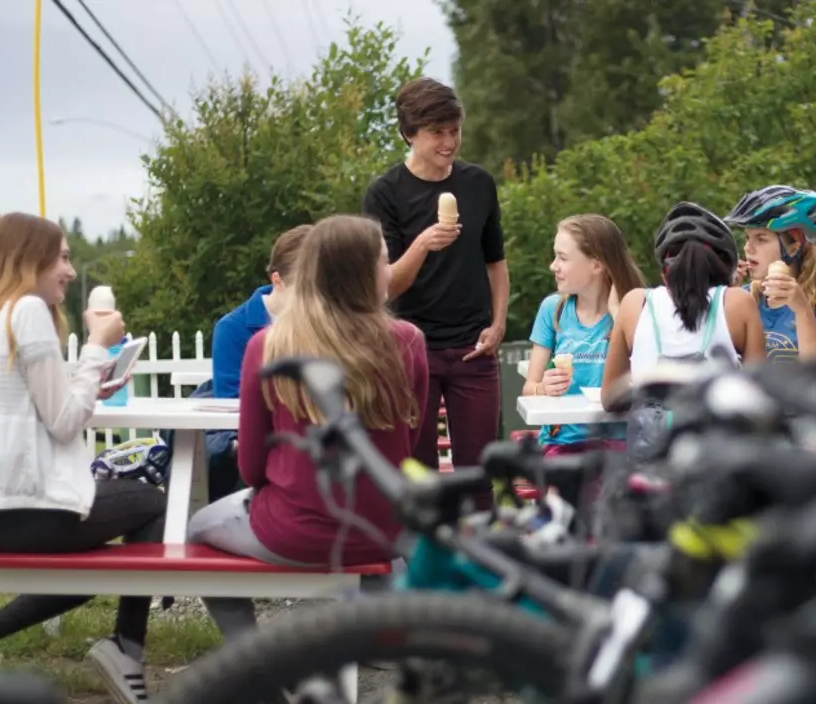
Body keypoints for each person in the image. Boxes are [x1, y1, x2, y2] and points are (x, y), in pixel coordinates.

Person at [0, 214, 164, 702]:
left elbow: (28, 405)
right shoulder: (28, 311)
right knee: (152, 501)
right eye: (63, 257)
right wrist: (99, 347)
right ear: (25, 259)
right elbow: (63, 422)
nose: (71, 271)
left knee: (93, 568)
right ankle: (126, 649)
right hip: (31, 511)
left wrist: (87, 380)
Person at [185, 215, 427, 642]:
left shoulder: (267, 345)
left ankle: (255, 661)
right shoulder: (408, 341)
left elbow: (252, 467)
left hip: (293, 529)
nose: (391, 271)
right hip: (381, 530)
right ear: (359, 273)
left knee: (194, 531)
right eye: (384, 261)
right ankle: (372, 638)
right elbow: (407, 445)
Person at [362, 77, 508, 489]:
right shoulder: (384, 194)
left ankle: (476, 554)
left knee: (480, 475)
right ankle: (424, 556)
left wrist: (498, 325)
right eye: (437, 133)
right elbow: (386, 287)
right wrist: (424, 243)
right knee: (418, 477)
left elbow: (496, 263)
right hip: (410, 351)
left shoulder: (479, 184)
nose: (449, 142)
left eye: (454, 131)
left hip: (474, 352)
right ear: (408, 134)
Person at [602, 202, 766, 402]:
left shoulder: (634, 303)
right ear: (724, 270)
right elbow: (758, 394)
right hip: (715, 432)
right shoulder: (738, 302)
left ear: (665, 273)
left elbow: (610, 397)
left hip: (653, 432)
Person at [522, 215, 646, 455]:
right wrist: (543, 388)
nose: (553, 265)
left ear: (596, 265)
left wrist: (618, 314)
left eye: (563, 258)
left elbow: (648, 375)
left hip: (620, 443)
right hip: (564, 442)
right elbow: (529, 387)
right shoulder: (552, 309)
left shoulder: (636, 308)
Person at [206, 224, 310, 502]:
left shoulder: (325, 323)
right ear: (278, 280)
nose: (316, 297)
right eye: (306, 286)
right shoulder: (233, 328)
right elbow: (231, 409)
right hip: (258, 455)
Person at [725, 185, 816, 362]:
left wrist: (801, 308)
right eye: (747, 237)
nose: (747, 248)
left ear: (794, 245)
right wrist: (726, 296)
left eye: (761, 239)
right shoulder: (746, 296)